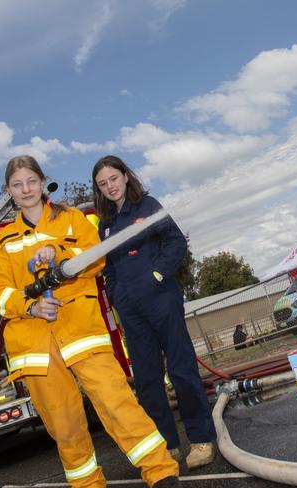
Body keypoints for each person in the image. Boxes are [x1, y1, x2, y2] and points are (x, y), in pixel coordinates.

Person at [0, 155, 180, 488]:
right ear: (9, 191)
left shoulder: (72, 218)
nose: (26, 189)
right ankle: (87, 484)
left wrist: (58, 252)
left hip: (80, 332)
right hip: (36, 346)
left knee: (116, 402)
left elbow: (97, 259)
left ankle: (161, 472)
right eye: (17, 185)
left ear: (42, 181)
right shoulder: (4, 239)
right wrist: (30, 307)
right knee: (64, 425)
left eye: (31, 181)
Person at [92, 155, 217, 469]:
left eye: (113, 178)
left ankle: (201, 441)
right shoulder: (105, 225)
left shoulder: (147, 206)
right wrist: (115, 297)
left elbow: (174, 242)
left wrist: (157, 275)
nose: (110, 186)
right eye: (102, 183)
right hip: (131, 311)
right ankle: (168, 445)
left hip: (161, 299)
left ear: (125, 176)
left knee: (180, 369)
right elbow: (109, 269)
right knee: (147, 381)